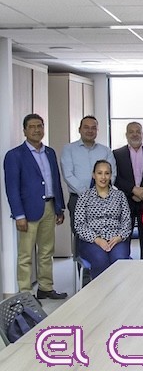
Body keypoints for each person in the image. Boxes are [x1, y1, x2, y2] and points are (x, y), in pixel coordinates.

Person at [3, 114, 67, 299]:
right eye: (32, 127)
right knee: (25, 255)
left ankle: (45, 287)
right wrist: (19, 215)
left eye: (39, 126)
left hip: (49, 207)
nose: (36, 130)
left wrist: (59, 208)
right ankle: (25, 294)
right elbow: (12, 188)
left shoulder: (50, 152)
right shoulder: (15, 155)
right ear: (24, 131)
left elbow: (55, 181)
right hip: (27, 212)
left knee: (47, 251)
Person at [74, 160, 131, 278]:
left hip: (116, 239)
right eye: (99, 173)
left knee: (119, 259)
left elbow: (126, 221)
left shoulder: (120, 196)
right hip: (91, 241)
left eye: (107, 173)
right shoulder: (84, 196)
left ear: (111, 175)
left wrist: (119, 237)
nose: (103, 177)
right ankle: (101, 289)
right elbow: (79, 224)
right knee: (100, 259)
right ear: (93, 175)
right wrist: (97, 240)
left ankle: (119, 289)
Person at [113, 122, 143, 259]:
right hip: (126, 200)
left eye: (138, 131)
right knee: (125, 234)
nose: (135, 134)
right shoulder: (117, 154)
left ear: (142, 134)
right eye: (131, 131)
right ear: (126, 134)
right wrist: (132, 190)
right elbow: (116, 177)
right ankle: (125, 261)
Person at [61, 115, 117, 235]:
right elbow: (68, 175)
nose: (90, 131)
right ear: (79, 129)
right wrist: (88, 195)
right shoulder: (69, 149)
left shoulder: (105, 150)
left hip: (104, 200)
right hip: (78, 199)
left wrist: (99, 194)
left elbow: (112, 174)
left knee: (103, 234)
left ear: (97, 130)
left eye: (93, 128)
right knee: (80, 235)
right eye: (86, 127)